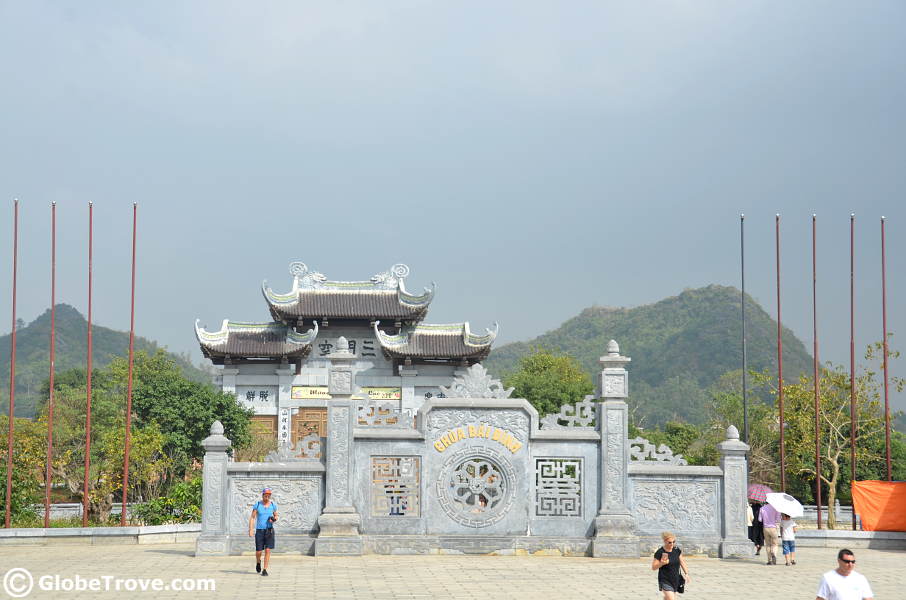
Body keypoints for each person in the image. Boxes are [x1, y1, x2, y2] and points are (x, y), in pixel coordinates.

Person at [248, 487, 278, 576]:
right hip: (260, 531)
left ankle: (265, 569)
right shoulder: (257, 505)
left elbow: (276, 516)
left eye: (269, 495)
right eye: (266, 495)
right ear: (263, 495)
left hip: (269, 531)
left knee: (268, 550)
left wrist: (274, 519)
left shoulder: (273, 505)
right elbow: (252, 517)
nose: (267, 497)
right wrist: (251, 529)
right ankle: (258, 562)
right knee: (259, 551)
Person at [651, 531, 690, 599]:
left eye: (673, 542)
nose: (672, 544)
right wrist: (662, 563)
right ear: (665, 541)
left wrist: (686, 574)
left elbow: (682, 562)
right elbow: (653, 567)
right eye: (670, 542)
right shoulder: (660, 552)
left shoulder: (676, 550)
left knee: (668, 598)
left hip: (675, 579)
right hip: (665, 579)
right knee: (671, 598)